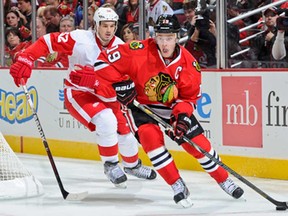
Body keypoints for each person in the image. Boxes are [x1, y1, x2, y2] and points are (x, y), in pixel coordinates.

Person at [68, 14, 244, 207]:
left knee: (197, 145)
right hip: (141, 107)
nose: (164, 43)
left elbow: (189, 98)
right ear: (155, 36)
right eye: (160, 37)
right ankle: (176, 184)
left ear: (177, 37)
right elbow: (102, 62)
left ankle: (223, 179)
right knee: (151, 142)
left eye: (169, 38)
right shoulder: (139, 50)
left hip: (173, 109)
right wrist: (122, 84)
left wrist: (182, 117)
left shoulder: (189, 65)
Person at [9, 7, 156, 188]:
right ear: (95, 25)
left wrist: (95, 81)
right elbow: (48, 41)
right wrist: (26, 57)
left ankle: (132, 165)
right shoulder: (79, 38)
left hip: (107, 97)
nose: (108, 30)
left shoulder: (121, 48)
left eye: (112, 26)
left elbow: (122, 85)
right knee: (107, 120)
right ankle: (110, 165)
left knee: (126, 134)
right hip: (79, 93)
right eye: (104, 26)